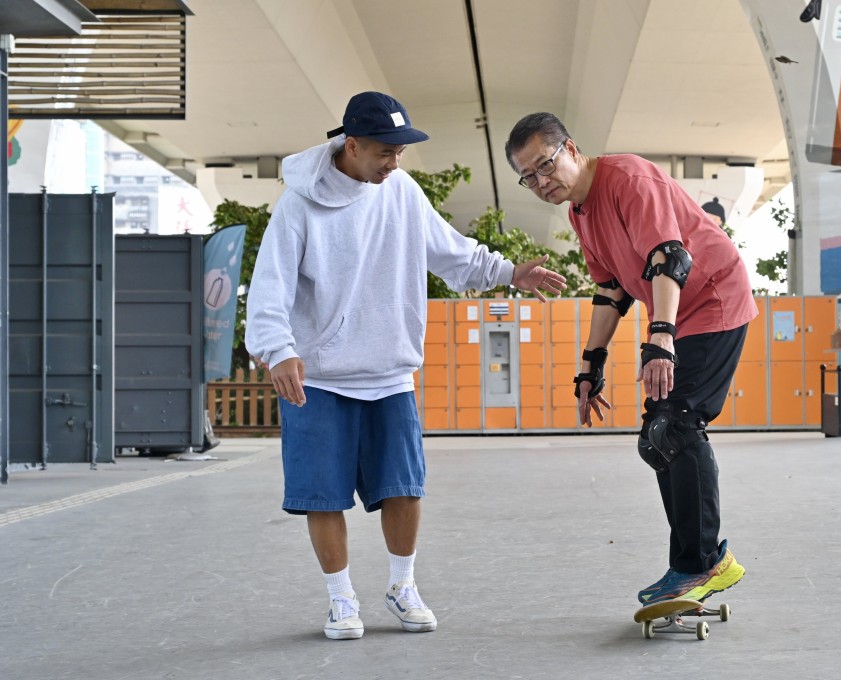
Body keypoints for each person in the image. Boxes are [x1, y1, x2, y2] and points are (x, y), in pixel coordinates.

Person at [246, 91, 566, 641]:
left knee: (404, 487)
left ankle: (402, 585)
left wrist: (511, 272)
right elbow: (270, 283)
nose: (394, 162)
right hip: (319, 375)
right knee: (321, 493)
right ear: (352, 145)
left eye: (400, 151)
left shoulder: (402, 191)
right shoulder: (298, 204)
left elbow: (452, 252)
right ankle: (341, 599)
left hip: (389, 370)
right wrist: (279, 349)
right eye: (384, 152)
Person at [504, 112, 756, 606]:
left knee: (676, 425)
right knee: (656, 440)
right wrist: (589, 365)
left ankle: (701, 564)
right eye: (527, 176)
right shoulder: (580, 212)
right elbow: (611, 288)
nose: (540, 182)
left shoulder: (628, 179)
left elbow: (669, 257)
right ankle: (689, 563)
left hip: (713, 300)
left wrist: (660, 335)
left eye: (545, 166)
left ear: (571, 150)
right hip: (677, 312)